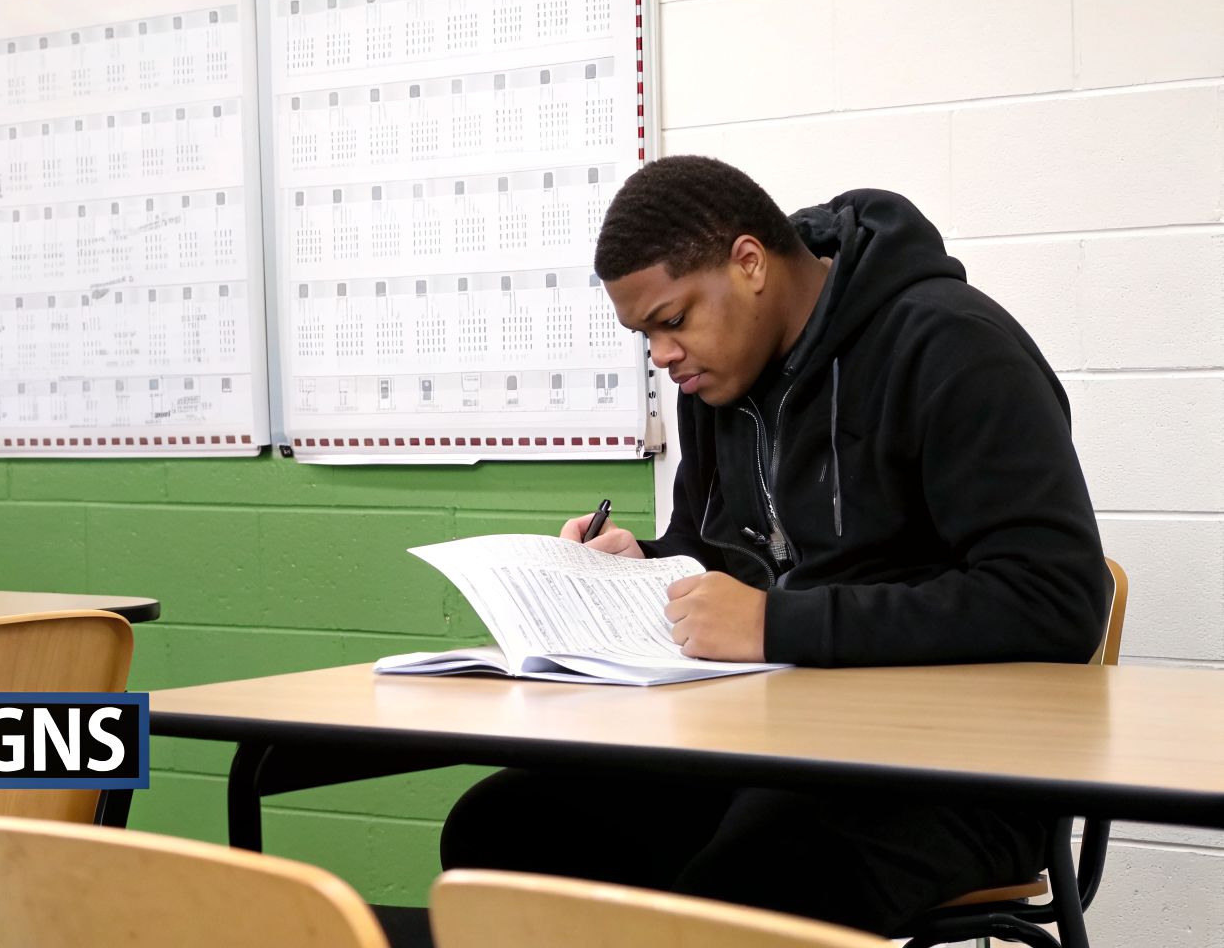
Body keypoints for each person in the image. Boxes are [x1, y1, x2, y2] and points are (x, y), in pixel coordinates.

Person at [437, 155, 1110, 935]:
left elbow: (1055, 600)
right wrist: (642, 565)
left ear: (749, 263)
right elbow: (717, 548)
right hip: (765, 750)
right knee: (504, 830)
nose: (660, 356)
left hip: (958, 771)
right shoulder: (720, 382)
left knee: (750, 880)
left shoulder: (953, 348)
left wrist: (773, 624)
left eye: (672, 319)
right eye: (643, 335)